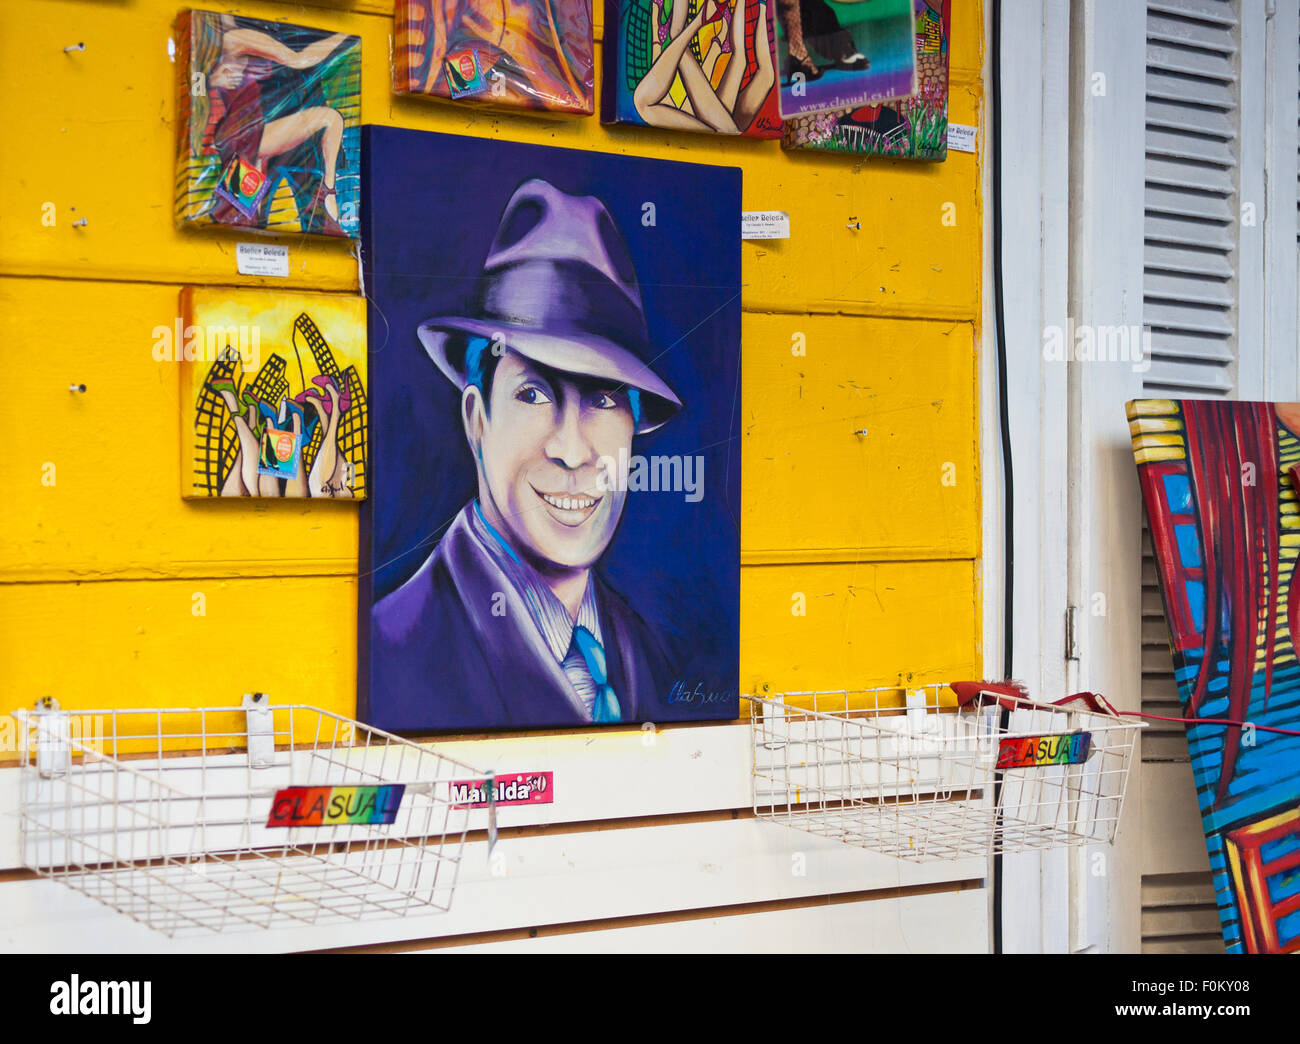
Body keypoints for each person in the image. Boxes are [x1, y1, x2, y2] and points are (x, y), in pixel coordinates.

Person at [370, 179, 683, 728]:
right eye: (533, 394)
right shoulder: (395, 649)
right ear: (476, 420)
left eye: (604, 398)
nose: (570, 449)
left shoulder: (645, 654)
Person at [191, 13, 354, 232]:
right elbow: (299, 58)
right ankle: (329, 192)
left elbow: (197, 81)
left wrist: (212, 80)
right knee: (330, 119)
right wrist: (344, 35)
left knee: (239, 214)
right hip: (247, 131)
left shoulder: (211, 44)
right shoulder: (236, 38)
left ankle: (325, 196)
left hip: (242, 132)